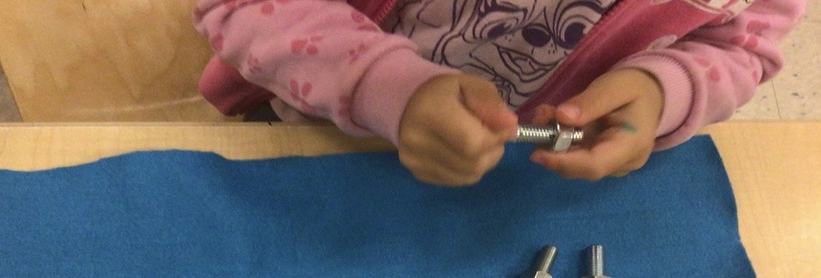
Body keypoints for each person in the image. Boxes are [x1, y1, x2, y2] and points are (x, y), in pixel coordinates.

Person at [193, 0, 806, 186]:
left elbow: (741, 49)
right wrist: (382, 87)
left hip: (512, 169)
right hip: (309, 133)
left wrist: (664, 88)